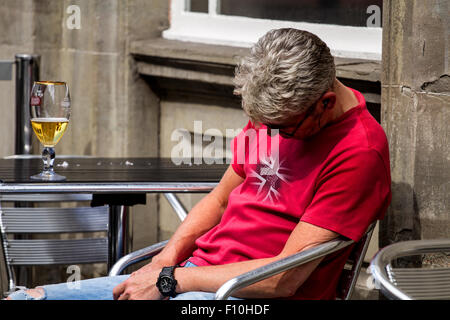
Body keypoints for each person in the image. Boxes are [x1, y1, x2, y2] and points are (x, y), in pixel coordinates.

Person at [6, 28, 391, 300]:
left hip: (241, 294)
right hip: (192, 277)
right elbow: (221, 200)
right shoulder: (280, 114)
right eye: (260, 123)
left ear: (324, 103)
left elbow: (283, 280)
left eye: (280, 129)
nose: (265, 132)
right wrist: (163, 262)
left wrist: (173, 280)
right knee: (26, 298)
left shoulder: (358, 152)